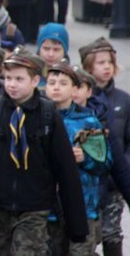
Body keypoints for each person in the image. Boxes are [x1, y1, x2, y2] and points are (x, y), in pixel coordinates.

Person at [0, 48, 88, 254]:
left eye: (19, 79)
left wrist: (76, 225)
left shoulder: (48, 116)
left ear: (35, 81)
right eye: (8, 78)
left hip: (34, 206)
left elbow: (66, 170)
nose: (12, 84)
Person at [44, 61, 112, 255]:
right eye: (52, 82)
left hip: (83, 206)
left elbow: (105, 162)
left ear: (74, 88)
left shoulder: (88, 121)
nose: (56, 87)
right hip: (47, 209)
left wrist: (86, 158)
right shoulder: (39, 117)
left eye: (63, 83)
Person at [79, 37, 129, 256]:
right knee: (87, 234)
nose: (106, 67)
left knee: (111, 232)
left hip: (113, 182)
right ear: (88, 65)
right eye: (100, 62)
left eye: (109, 62)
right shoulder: (80, 100)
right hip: (88, 180)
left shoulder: (124, 100)